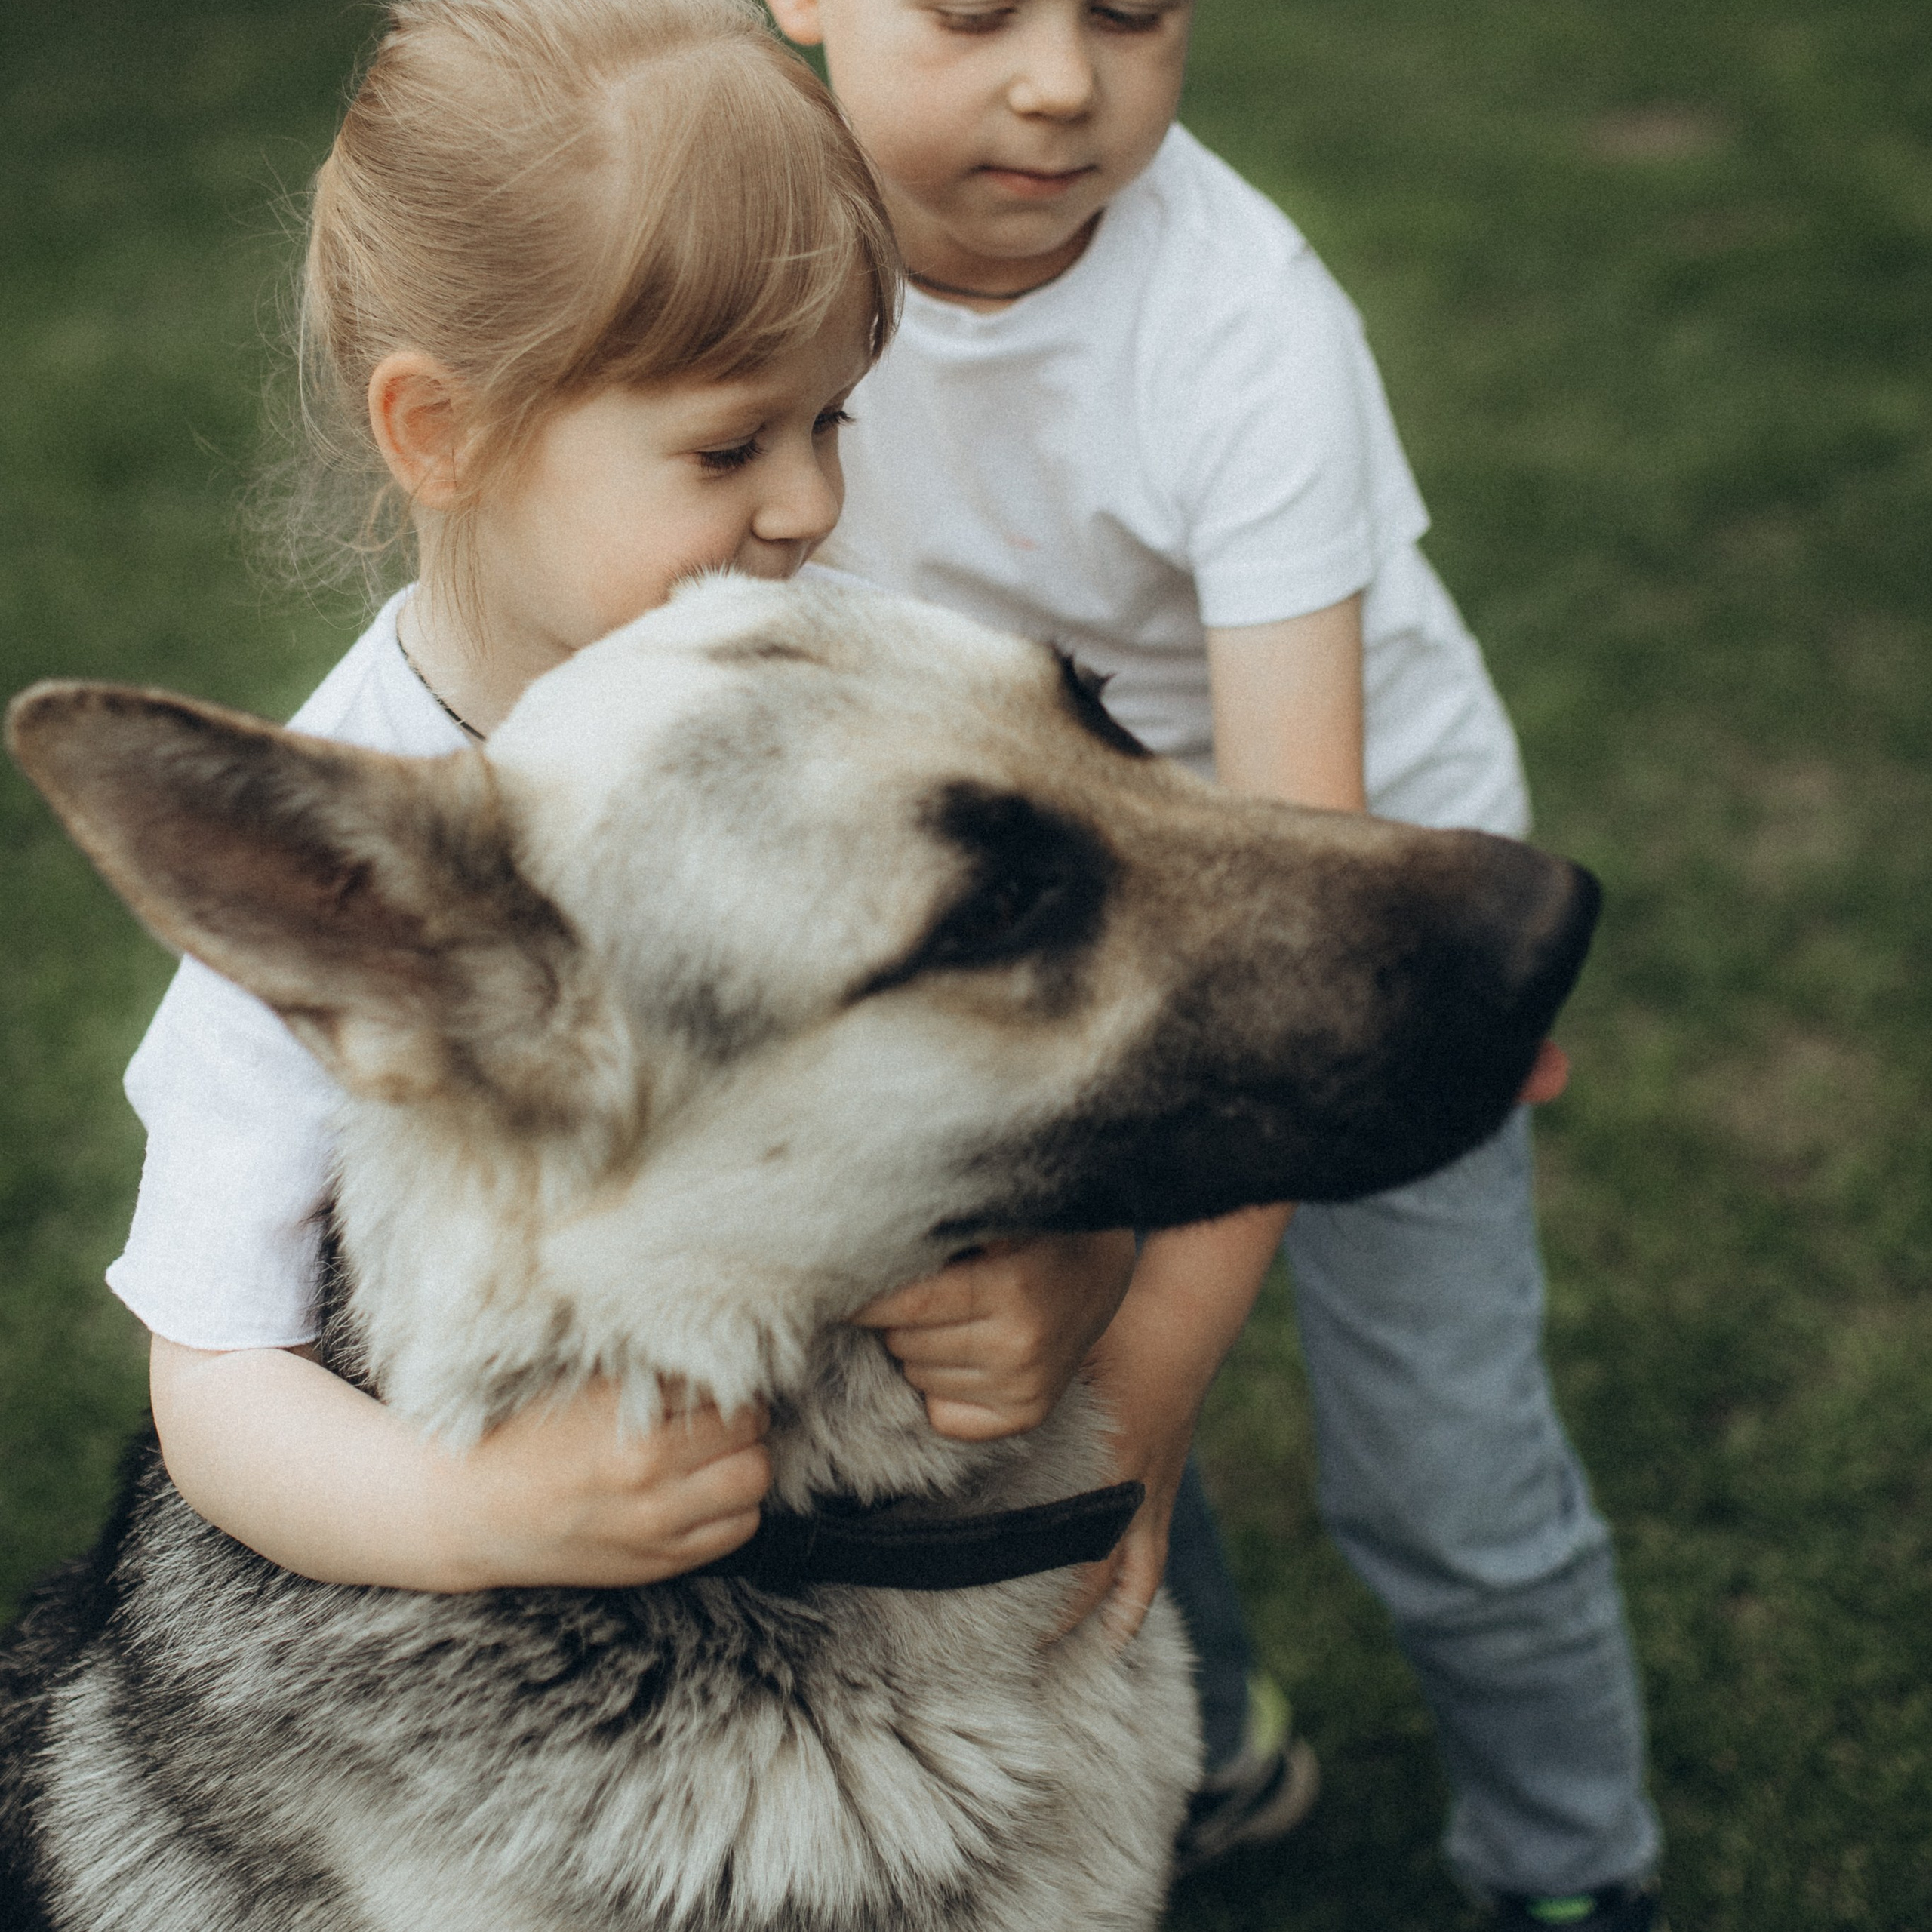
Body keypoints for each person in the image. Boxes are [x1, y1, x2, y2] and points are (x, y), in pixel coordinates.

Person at [763, 2, 1666, 1926]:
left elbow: (1308, 896)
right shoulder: (761, 255)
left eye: (1130, 10)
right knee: (1058, 1404)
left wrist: (1159, 1353)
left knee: (1443, 1486)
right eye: (975, 9)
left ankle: (1569, 1866)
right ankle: (1223, 1746)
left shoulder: (1241, 323)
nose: (1062, 81)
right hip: (1079, 940)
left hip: (1359, 938)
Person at [114, 0, 1137, 1605]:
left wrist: (1078, 1270)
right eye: (729, 446)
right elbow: (215, 1374)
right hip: (546, 1687)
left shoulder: (843, 661)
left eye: (829, 423)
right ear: (443, 433)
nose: (805, 505)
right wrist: (467, 1517)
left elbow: (1069, 1009)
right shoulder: (332, 860)